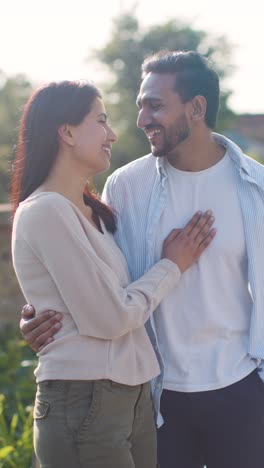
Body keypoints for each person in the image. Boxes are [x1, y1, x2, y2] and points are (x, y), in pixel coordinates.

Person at [20, 51, 264, 468]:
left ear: (197, 108)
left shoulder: (256, 187)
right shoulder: (126, 186)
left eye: (155, 105)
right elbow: (98, 280)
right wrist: (44, 312)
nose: (141, 120)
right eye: (139, 106)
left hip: (239, 389)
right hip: (151, 395)